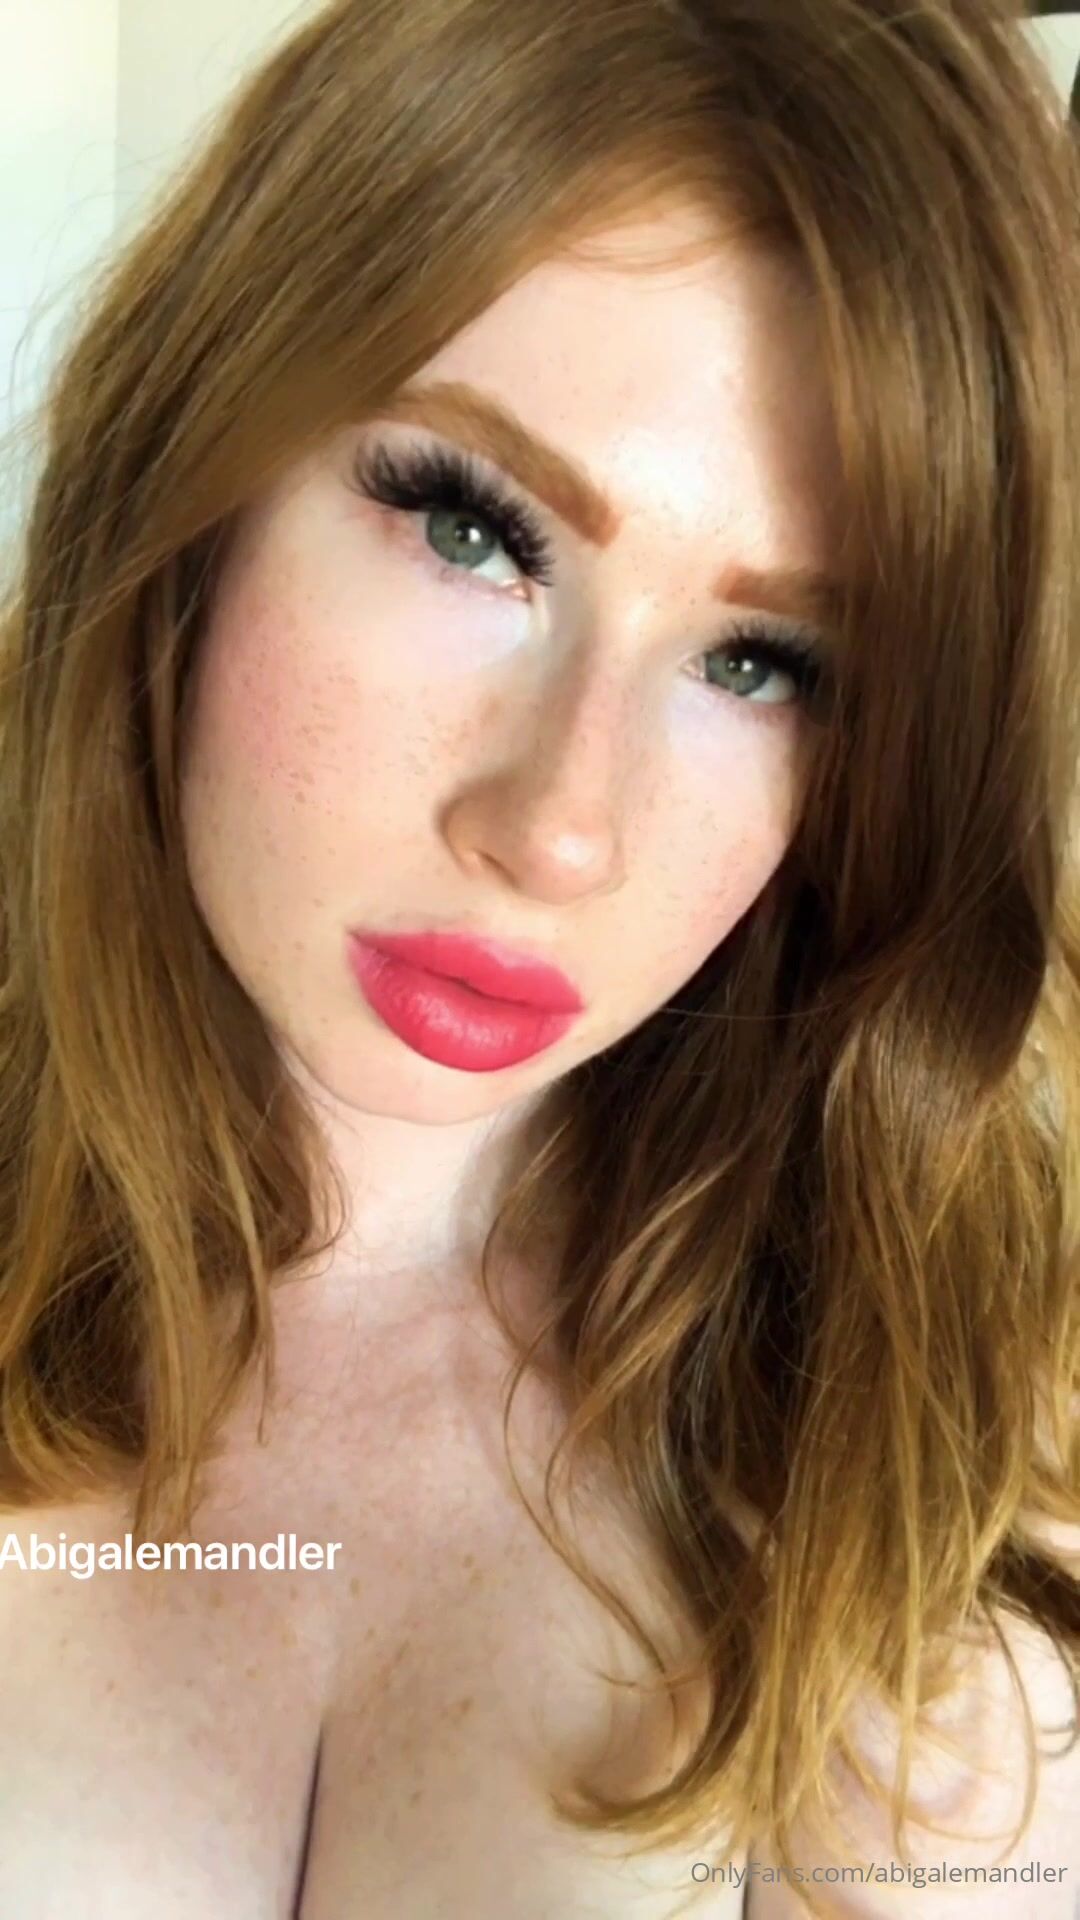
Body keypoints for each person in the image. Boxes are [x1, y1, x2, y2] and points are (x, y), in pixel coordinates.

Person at [0, 1, 1077, 1915]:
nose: (563, 827)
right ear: (197, 471)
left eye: (764, 662)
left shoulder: (923, 1500)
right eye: (471, 527)